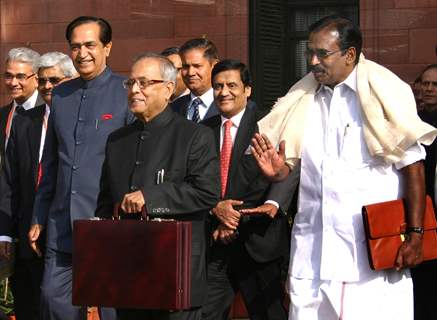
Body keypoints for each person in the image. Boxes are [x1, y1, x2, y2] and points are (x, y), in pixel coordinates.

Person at [250, 15, 437, 320]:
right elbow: (297, 169)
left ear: (350, 54)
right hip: (313, 251)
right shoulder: (302, 100)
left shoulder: (383, 95)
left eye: (322, 53)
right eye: (310, 52)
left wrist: (415, 235)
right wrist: (278, 173)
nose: (312, 61)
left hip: (369, 255)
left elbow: (413, 167)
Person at [95, 52, 220, 320]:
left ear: (167, 89)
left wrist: (149, 197)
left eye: (144, 83)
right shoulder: (117, 140)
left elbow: (207, 193)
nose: (135, 90)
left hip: (175, 269)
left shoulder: (195, 136)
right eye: (130, 84)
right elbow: (106, 202)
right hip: (127, 273)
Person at [28, 16, 132, 320]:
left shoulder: (125, 91)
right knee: (52, 301)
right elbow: (50, 163)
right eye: (75, 46)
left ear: (108, 47)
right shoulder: (60, 94)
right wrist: (39, 216)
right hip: (62, 223)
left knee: (112, 308)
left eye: (90, 45)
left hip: (107, 223)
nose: (82, 53)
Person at [201, 59, 297, 320]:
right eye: (218, 86)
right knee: (205, 314)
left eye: (232, 85)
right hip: (216, 242)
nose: (224, 92)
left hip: (258, 241)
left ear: (248, 90)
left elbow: (271, 178)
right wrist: (216, 211)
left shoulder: (268, 124)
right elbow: (196, 181)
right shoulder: (201, 131)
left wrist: (231, 219)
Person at [0, 51, 76, 320]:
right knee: (29, 303)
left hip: (69, 230)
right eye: (42, 81)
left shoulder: (83, 123)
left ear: (72, 80)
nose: (47, 87)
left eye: (54, 80)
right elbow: (10, 180)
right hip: (27, 230)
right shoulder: (24, 121)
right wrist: (6, 233)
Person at [412, 63, 437, 320]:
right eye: (425, 83)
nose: (428, 89)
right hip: (419, 214)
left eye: (435, 85)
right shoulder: (412, 120)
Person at [0, 47, 42, 167]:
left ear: (36, 79)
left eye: (20, 77)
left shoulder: (47, 113)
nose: (13, 83)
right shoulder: (3, 114)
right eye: (8, 76)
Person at [170, 38, 219, 122]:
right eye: (185, 66)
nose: (190, 73)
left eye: (197, 66)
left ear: (214, 66)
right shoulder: (173, 109)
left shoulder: (227, 104)